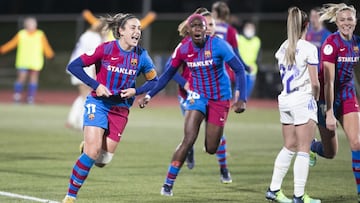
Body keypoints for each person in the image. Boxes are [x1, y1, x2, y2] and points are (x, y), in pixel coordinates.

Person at [139, 13, 247, 196]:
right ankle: (167, 184)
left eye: (201, 25)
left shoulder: (219, 45)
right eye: (194, 26)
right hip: (197, 96)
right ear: (188, 30)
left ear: (206, 29)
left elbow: (239, 69)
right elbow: (167, 74)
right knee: (188, 139)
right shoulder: (183, 48)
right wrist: (149, 95)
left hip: (220, 98)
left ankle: (215, 149)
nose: (197, 28)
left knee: (211, 148)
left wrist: (241, 98)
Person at [62, 13, 158, 203]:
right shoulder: (105, 49)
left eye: (139, 28)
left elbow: (154, 81)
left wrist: (136, 90)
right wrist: (95, 85)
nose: (137, 31)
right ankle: (70, 196)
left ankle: (87, 148)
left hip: (121, 110)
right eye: (133, 27)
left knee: (103, 160)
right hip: (98, 103)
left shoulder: (142, 56)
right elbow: (74, 66)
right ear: (121, 31)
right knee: (92, 152)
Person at [265, 7, 321, 203]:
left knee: (289, 146)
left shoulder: (283, 47)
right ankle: (299, 195)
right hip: (302, 99)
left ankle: (274, 190)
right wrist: (317, 101)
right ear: (306, 25)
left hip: (285, 99)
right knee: (304, 149)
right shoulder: (309, 48)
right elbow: (315, 83)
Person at [173, 7, 232, 183]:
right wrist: (185, 83)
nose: (213, 27)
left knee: (217, 135)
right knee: (190, 136)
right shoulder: (185, 45)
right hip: (189, 95)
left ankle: (223, 168)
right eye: (210, 23)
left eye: (213, 24)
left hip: (214, 95)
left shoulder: (218, 43)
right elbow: (170, 70)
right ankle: (188, 152)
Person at [308, 3, 360, 202]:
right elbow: (328, 82)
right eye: (342, 20)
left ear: (355, 21)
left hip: (347, 94)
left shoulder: (357, 43)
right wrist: (329, 112)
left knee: (356, 142)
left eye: (350, 19)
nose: (346, 23)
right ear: (337, 23)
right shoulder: (331, 43)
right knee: (331, 153)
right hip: (326, 97)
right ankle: (314, 147)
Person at [0, 16, 55, 104]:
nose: (32, 25)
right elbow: (12, 44)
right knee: (21, 78)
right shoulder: (21, 34)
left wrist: (50, 54)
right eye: (30, 23)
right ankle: (17, 95)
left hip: (35, 61)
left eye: (34, 23)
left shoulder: (40, 34)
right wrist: (2, 49)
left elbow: (45, 46)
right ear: (26, 25)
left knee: (33, 79)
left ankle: (30, 97)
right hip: (23, 60)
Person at [65, 21, 106, 130]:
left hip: (76, 67)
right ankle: (81, 122)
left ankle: (72, 120)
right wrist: (95, 76)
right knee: (87, 96)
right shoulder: (96, 38)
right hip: (83, 69)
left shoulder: (86, 34)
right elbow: (93, 57)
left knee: (83, 95)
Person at [211, 1, 250, 82]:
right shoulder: (231, 31)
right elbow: (235, 52)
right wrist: (246, 67)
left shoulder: (208, 29)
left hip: (207, 71)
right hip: (224, 72)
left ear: (215, 13)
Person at [236, 20, 261, 98]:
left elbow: (259, 55)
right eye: (248, 27)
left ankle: (244, 105)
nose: (249, 30)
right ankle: (236, 104)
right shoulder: (239, 38)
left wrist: (257, 64)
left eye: (251, 28)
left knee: (248, 90)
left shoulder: (257, 41)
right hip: (240, 68)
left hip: (252, 69)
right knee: (239, 89)